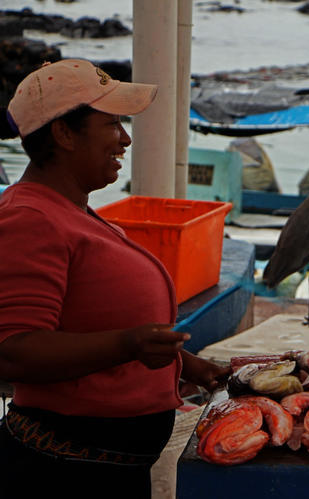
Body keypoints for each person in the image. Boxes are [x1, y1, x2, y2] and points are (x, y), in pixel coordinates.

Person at [0, 59, 232, 498]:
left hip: (106, 472)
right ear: (64, 134)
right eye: (111, 124)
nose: (125, 139)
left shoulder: (72, 213)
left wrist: (187, 366)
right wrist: (128, 344)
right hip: (59, 475)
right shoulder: (30, 219)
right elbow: (13, 351)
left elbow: (87, 325)